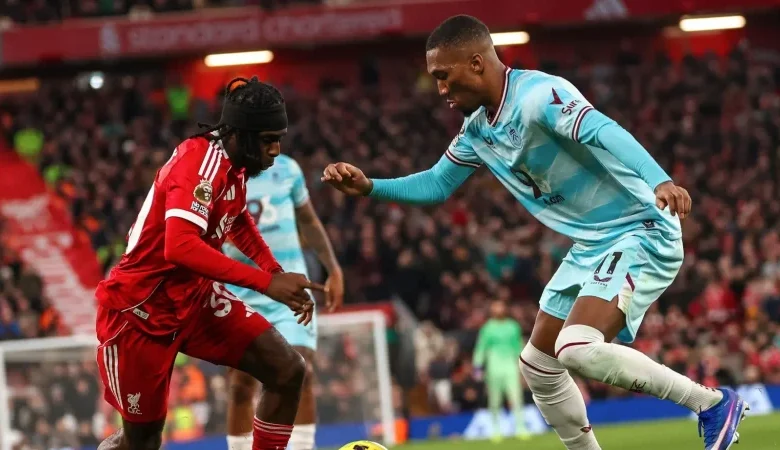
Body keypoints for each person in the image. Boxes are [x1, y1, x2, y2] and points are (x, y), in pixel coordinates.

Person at [321, 15, 748, 450]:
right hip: (594, 244)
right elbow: (436, 184)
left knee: (576, 347)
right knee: (539, 365)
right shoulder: (477, 129)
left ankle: (711, 403)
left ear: (476, 63)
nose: (441, 90)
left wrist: (660, 180)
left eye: (443, 76)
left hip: (640, 228)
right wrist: (370, 187)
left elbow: (603, 129)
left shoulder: (539, 95)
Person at [95, 76, 324, 450]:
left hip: (195, 298)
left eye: (279, 138)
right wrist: (266, 284)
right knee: (142, 441)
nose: (276, 150)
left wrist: (274, 272)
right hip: (141, 311)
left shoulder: (235, 165)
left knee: (287, 370)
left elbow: (238, 220)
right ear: (240, 134)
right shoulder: (198, 164)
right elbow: (180, 246)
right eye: (268, 140)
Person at [223, 152, 344, 450]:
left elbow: (308, 220)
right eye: (268, 138)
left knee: (300, 371)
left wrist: (333, 268)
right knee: (241, 384)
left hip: (290, 293)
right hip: (240, 294)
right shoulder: (218, 174)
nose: (274, 147)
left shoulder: (288, 169)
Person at [472, 299, 529, 442]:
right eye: (495, 308)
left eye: (500, 307)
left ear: (505, 309)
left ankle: (520, 428)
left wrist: (523, 365)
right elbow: (481, 347)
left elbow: (518, 346)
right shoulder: (487, 328)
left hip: (510, 366)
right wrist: (477, 366)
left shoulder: (513, 326)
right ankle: (495, 430)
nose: (498, 310)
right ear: (492, 311)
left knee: (516, 398)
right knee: (494, 400)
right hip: (493, 366)